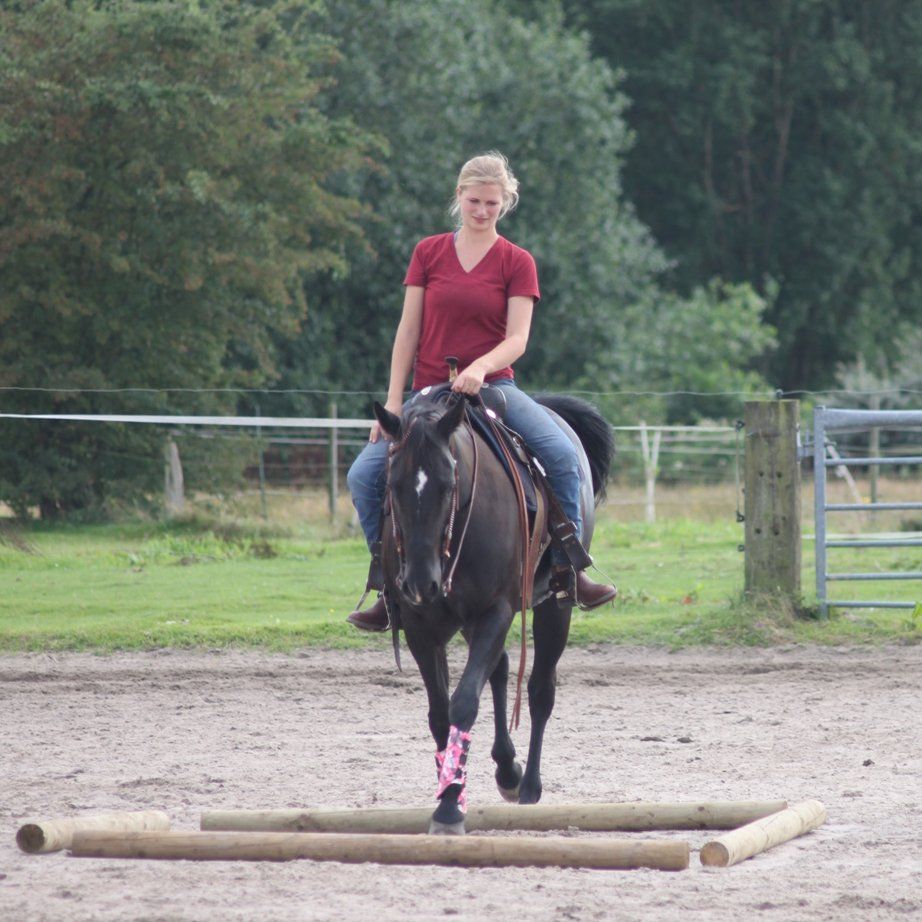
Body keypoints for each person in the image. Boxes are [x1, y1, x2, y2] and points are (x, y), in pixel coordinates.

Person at [346, 152, 616, 631]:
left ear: (504, 203)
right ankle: (387, 584)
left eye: (492, 203)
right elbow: (408, 331)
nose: (482, 210)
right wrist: (392, 401)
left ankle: (569, 568)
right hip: (428, 393)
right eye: (474, 201)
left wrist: (480, 368)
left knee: (560, 453)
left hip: (494, 388)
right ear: (459, 198)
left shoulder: (517, 262)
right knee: (363, 477)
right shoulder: (427, 253)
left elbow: (518, 338)